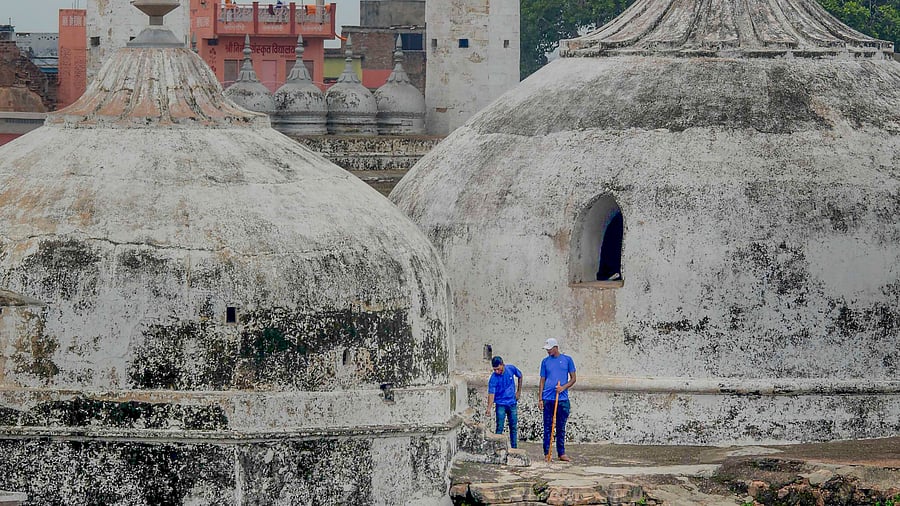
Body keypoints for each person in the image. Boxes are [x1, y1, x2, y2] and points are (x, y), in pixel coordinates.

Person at [539, 338, 576, 461]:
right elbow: (542, 380)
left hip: (562, 399)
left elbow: (573, 379)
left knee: (560, 427)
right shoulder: (545, 362)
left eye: (550, 349)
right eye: (547, 349)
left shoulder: (567, 360)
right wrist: (540, 398)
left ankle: (561, 453)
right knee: (548, 426)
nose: (548, 351)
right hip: (548, 398)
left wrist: (563, 387)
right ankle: (547, 453)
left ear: (556, 347)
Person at [485, 356, 523, 448]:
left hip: (512, 403)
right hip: (500, 404)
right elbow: (491, 394)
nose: (497, 371)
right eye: (495, 370)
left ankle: (514, 448)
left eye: (498, 369)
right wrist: (489, 408)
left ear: (502, 365)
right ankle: (498, 448)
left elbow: (520, 375)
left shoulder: (511, 369)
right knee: (499, 427)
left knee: (513, 427)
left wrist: (518, 391)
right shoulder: (493, 378)